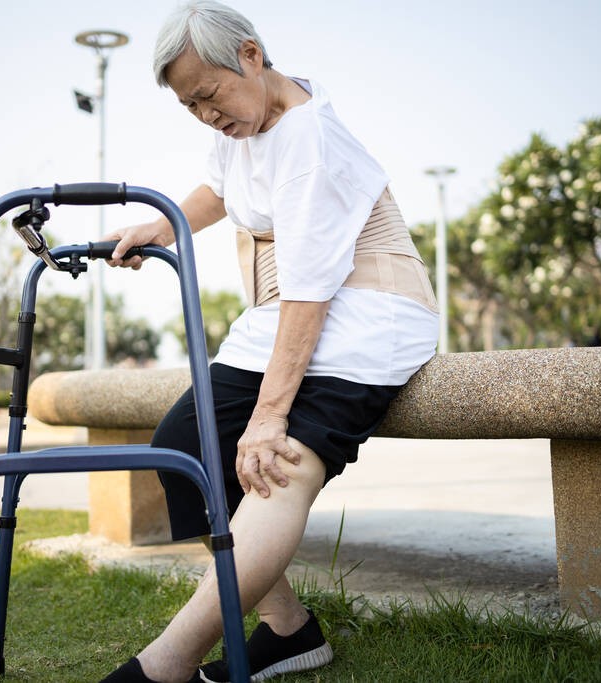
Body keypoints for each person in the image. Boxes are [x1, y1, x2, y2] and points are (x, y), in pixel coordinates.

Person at [99, 3, 439, 681]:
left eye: (208, 94)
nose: (205, 114)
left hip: (368, 314)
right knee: (183, 448)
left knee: (275, 463)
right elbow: (222, 189)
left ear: (251, 56)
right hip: (287, 315)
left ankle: (167, 662)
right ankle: (288, 628)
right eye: (189, 104)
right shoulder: (244, 121)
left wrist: (268, 414)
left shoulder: (310, 137)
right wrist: (163, 226)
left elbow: (312, 290)